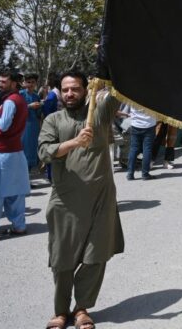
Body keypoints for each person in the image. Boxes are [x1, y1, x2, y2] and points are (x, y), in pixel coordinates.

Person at [38, 71, 124, 329]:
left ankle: (82, 308)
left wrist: (107, 61)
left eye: (75, 88)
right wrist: (74, 142)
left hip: (100, 200)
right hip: (66, 201)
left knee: (96, 256)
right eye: (65, 89)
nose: (69, 94)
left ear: (86, 90)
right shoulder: (53, 119)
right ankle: (61, 311)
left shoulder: (100, 113)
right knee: (62, 258)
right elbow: (44, 152)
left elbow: (121, 88)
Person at [0, 71, 31, 242]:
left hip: (3, 153)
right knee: (15, 192)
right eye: (0, 81)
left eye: (4, 81)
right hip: (15, 151)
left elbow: (3, 125)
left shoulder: (10, 101)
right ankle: (19, 226)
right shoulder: (20, 100)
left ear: (13, 83)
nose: (0, 84)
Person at [125, 106, 157, 180]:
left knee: (133, 149)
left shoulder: (134, 94)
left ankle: (130, 174)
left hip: (135, 124)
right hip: (149, 124)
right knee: (147, 149)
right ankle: (145, 174)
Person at [21, 73, 42, 170]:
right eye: (28, 82)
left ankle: (28, 180)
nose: (30, 84)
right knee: (23, 152)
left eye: (33, 82)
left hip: (34, 126)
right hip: (23, 126)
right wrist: (29, 106)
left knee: (32, 151)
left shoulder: (36, 96)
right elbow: (16, 108)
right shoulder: (20, 94)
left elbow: (38, 114)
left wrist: (41, 105)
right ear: (24, 83)